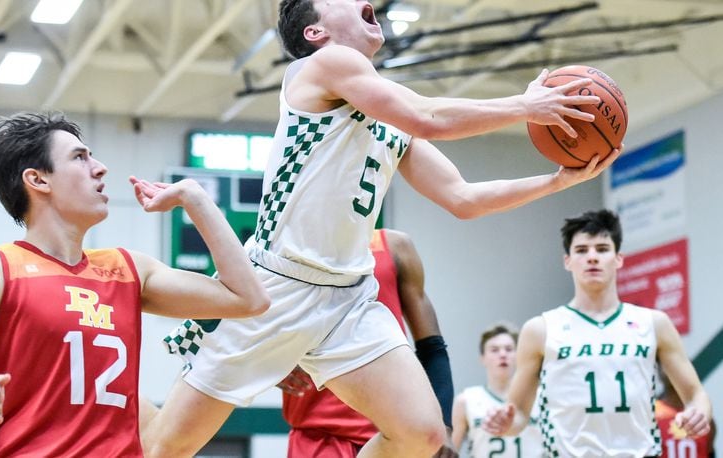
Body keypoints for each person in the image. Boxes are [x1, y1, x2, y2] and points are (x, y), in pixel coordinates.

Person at [144, 1, 620, 456]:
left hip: (347, 297)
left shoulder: (390, 120)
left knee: (422, 434)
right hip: (275, 285)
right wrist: (524, 105)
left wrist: (558, 182)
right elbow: (427, 116)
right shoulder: (322, 65)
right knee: (167, 448)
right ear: (316, 32)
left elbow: (463, 199)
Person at [0, 112, 270, 457]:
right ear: (38, 180)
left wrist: (196, 199)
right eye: (79, 157)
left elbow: (247, 298)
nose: (100, 167)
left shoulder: (129, 268)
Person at [483, 209, 712, 457]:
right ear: (567, 261)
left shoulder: (653, 323)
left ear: (618, 258)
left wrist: (699, 412)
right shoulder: (541, 329)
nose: (592, 257)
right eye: (581, 250)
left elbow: (695, 395)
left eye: (602, 249)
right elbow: (518, 412)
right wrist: (505, 424)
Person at [277, 229, 455, 457]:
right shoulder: (289, 241)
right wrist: (268, 364)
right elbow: (247, 323)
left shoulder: (394, 245)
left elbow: (432, 347)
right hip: (318, 434)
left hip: (396, 433)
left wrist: (446, 427)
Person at [451, 323, 544, 457]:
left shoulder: (541, 396)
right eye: (494, 350)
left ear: (519, 356)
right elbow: (450, 450)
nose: (502, 354)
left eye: (509, 349)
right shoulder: (465, 400)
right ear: (482, 358)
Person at [656, 366, 716, 458]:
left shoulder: (703, 416)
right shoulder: (649, 414)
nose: (673, 369)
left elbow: (709, 452)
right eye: (666, 364)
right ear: (658, 372)